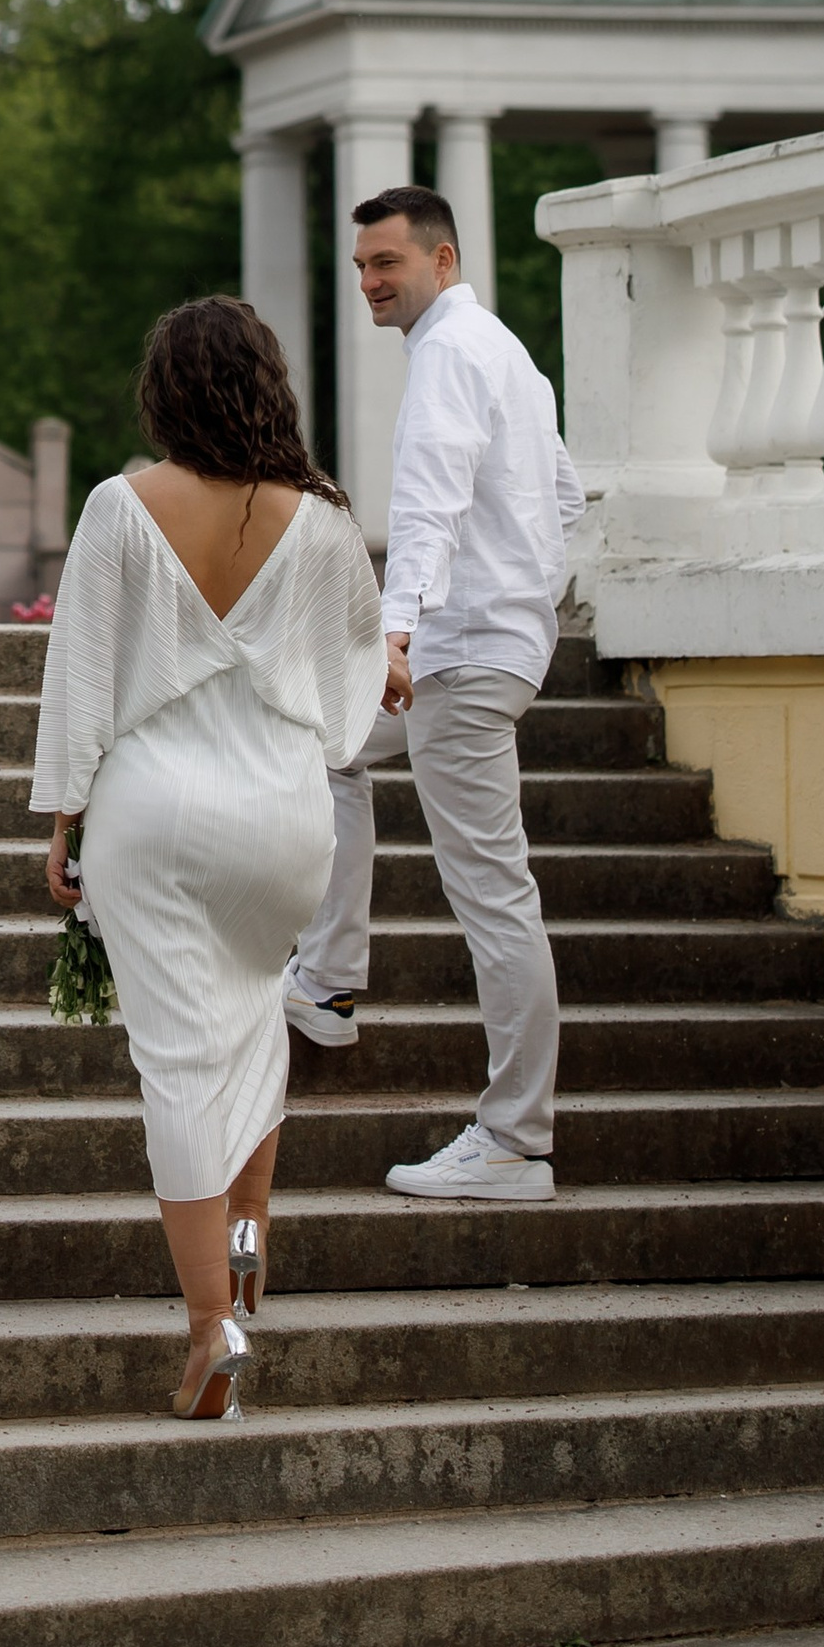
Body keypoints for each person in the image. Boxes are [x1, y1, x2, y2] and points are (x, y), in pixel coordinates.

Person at [33, 296, 384, 1423]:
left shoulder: (120, 508)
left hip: (160, 811)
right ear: (266, 386)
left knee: (179, 1064)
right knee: (250, 1016)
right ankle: (245, 1235)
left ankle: (205, 1330)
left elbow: (81, 679)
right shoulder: (321, 523)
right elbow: (355, 679)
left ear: (163, 393)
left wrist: (63, 819)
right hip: (284, 815)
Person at [282, 181, 580, 1204]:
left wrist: (396, 631)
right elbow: (565, 492)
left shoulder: (450, 354)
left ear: (441, 260)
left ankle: (514, 1139)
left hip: (456, 650)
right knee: (329, 747)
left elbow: (429, 503)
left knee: (495, 893)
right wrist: (532, 596)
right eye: (361, 265)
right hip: (487, 638)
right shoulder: (502, 350)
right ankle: (326, 983)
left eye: (387, 264)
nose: (369, 281)